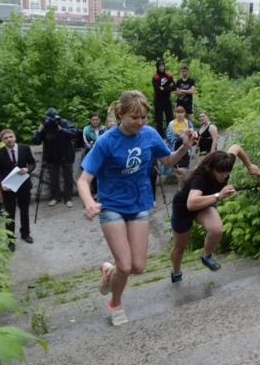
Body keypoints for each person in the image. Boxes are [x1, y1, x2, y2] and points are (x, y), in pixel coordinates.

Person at [77, 90, 197, 326]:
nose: (140, 122)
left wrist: (184, 147)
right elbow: (83, 180)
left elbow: (168, 162)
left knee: (138, 267)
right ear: (120, 114)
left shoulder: (149, 134)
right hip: (111, 206)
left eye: (144, 117)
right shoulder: (106, 142)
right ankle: (116, 303)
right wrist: (90, 203)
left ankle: (108, 272)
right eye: (135, 117)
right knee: (125, 264)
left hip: (139, 204)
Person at [170, 144, 260, 283]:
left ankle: (206, 256)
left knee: (216, 229)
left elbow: (236, 148)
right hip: (184, 208)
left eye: (227, 172)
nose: (225, 175)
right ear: (211, 168)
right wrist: (219, 195)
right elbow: (191, 203)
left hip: (205, 202)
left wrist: (249, 166)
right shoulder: (200, 177)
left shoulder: (225, 161)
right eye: (221, 172)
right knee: (180, 247)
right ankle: (176, 272)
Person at [0, 129, 36, 252]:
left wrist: (28, 169)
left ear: (15, 137)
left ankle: (25, 233)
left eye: (11, 136)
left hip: (24, 185)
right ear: (2, 140)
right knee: (10, 214)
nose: (9, 139)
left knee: (25, 211)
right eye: (6, 138)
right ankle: (11, 239)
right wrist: (1, 184)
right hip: (9, 188)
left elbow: (32, 163)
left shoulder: (24, 148)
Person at [32, 108, 78, 208]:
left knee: (68, 177)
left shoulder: (64, 122)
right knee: (53, 178)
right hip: (51, 155)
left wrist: (62, 129)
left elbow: (75, 134)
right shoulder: (45, 125)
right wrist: (39, 131)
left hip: (66, 154)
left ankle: (68, 197)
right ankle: (55, 197)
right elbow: (36, 141)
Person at [166, 106, 194, 188]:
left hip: (186, 148)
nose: (180, 114)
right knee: (179, 169)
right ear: (175, 114)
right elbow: (169, 137)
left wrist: (188, 134)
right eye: (178, 112)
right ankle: (181, 186)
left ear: (184, 113)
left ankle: (181, 187)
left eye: (182, 112)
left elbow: (193, 135)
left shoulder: (188, 123)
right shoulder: (171, 124)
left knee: (183, 168)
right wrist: (178, 136)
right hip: (176, 148)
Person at [82, 112, 106, 197]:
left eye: (97, 119)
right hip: (90, 154)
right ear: (90, 120)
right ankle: (95, 192)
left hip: (103, 154)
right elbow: (86, 143)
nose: (95, 121)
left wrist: (94, 144)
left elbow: (106, 141)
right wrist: (95, 147)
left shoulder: (104, 128)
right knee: (92, 174)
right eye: (93, 120)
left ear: (99, 120)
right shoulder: (86, 129)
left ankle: (103, 192)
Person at [152, 59, 177, 138]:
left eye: (162, 66)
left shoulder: (168, 75)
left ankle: (170, 134)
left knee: (170, 118)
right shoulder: (155, 77)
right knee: (159, 119)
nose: (161, 67)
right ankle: (160, 136)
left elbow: (174, 87)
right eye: (160, 66)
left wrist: (164, 88)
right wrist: (167, 87)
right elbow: (157, 90)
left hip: (167, 100)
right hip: (158, 100)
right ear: (157, 67)